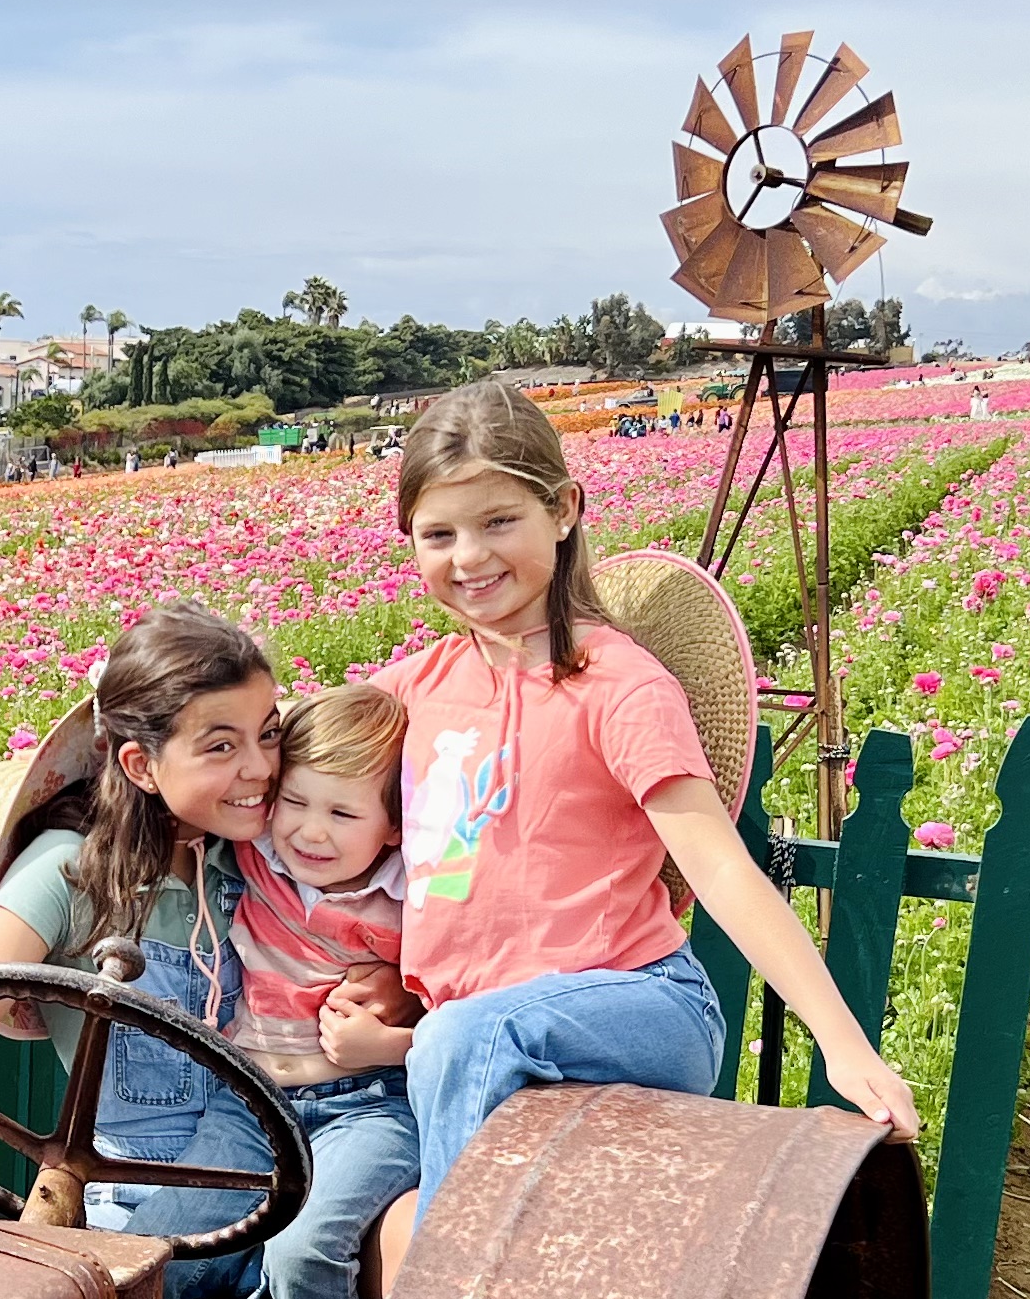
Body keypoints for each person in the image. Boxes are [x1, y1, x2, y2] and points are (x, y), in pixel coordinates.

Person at [380, 378, 919, 1222]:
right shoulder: (417, 687)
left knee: (466, 1037)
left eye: (499, 522)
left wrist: (843, 1044)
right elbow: (289, 777)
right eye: (438, 533)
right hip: (478, 1024)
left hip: (635, 998)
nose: (470, 557)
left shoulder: (617, 686)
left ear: (563, 511)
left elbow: (719, 865)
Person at [0, 603, 282, 1299]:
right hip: (136, 1209)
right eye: (221, 746)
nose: (259, 769)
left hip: (272, 1189)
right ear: (140, 765)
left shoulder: (261, 861)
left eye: (268, 734)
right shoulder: (66, 875)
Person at [216, 681, 419, 1299]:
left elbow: (476, 1011)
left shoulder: (421, 902)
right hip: (247, 1102)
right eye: (296, 801)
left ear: (395, 827)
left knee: (307, 1248)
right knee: (152, 1238)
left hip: (371, 1103)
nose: (310, 830)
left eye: (342, 813)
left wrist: (393, 1034)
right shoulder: (251, 851)